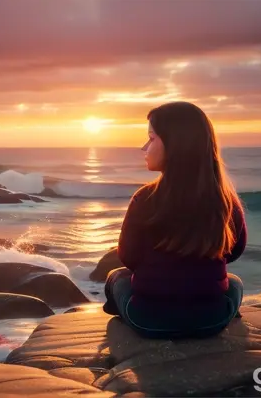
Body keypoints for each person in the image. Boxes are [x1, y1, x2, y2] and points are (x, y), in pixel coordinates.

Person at [103, 101, 247, 339]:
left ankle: (123, 316)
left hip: (149, 321)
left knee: (116, 277)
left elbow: (128, 257)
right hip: (212, 321)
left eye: (151, 138)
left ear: (175, 145)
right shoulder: (225, 201)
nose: (144, 147)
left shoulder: (144, 199)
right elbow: (234, 252)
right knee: (234, 283)